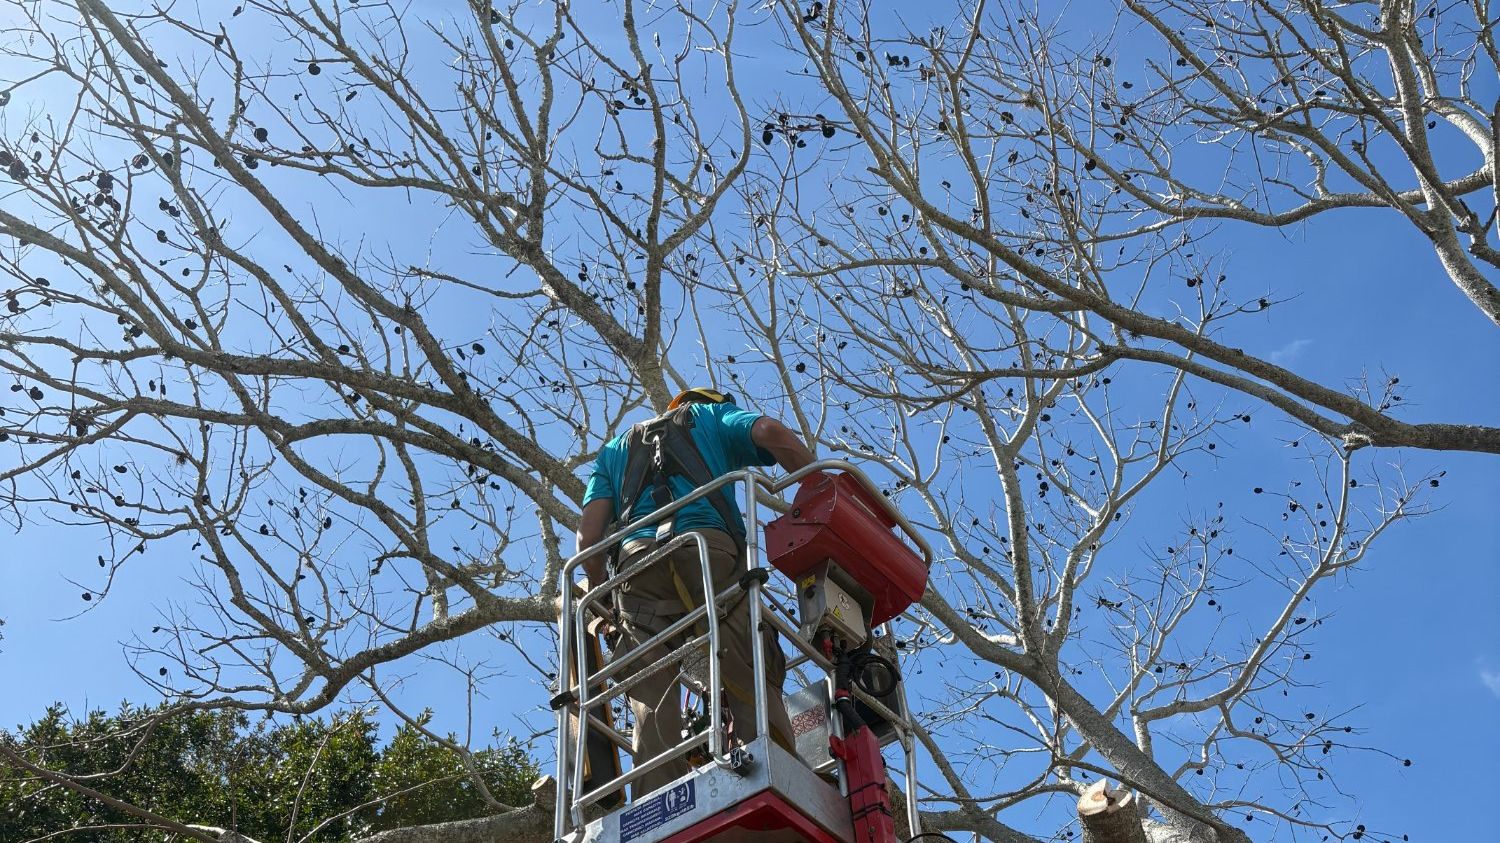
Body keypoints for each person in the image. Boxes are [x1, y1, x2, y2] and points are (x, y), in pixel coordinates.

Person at [575, 387, 817, 799]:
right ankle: (776, 778)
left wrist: (607, 600)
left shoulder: (615, 448)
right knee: (749, 661)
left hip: (638, 568)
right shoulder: (711, 416)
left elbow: (589, 540)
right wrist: (819, 489)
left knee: (650, 691)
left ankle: (655, 803)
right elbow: (771, 432)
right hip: (708, 551)